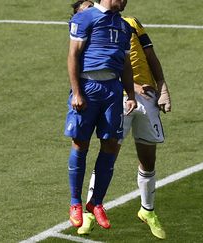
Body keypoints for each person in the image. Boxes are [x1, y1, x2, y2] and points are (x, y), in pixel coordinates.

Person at [71, 0, 172, 239]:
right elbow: (96, 70)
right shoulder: (91, 30)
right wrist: (130, 89)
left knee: (148, 157)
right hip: (118, 97)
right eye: (82, 10)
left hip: (145, 97)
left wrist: (163, 87)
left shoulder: (130, 24)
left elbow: (150, 55)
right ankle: (89, 211)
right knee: (108, 151)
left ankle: (147, 210)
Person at [65, 0, 137, 230]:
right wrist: (77, 92)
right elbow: (73, 55)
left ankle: (96, 202)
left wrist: (131, 94)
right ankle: (75, 202)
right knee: (80, 143)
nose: (125, 1)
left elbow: (126, 65)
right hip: (88, 87)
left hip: (113, 90)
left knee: (111, 144)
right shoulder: (85, 17)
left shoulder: (124, 26)